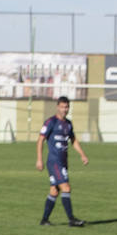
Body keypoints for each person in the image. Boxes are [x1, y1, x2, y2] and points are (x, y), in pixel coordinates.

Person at [35, 96, 88, 227]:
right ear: (57, 107)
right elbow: (40, 140)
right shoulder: (50, 122)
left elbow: (73, 140)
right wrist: (39, 159)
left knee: (54, 191)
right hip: (54, 162)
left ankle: (44, 220)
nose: (65, 110)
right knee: (66, 187)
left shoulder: (68, 124)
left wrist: (82, 155)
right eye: (63, 107)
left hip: (63, 162)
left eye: (67, 107)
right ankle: (71, 219)